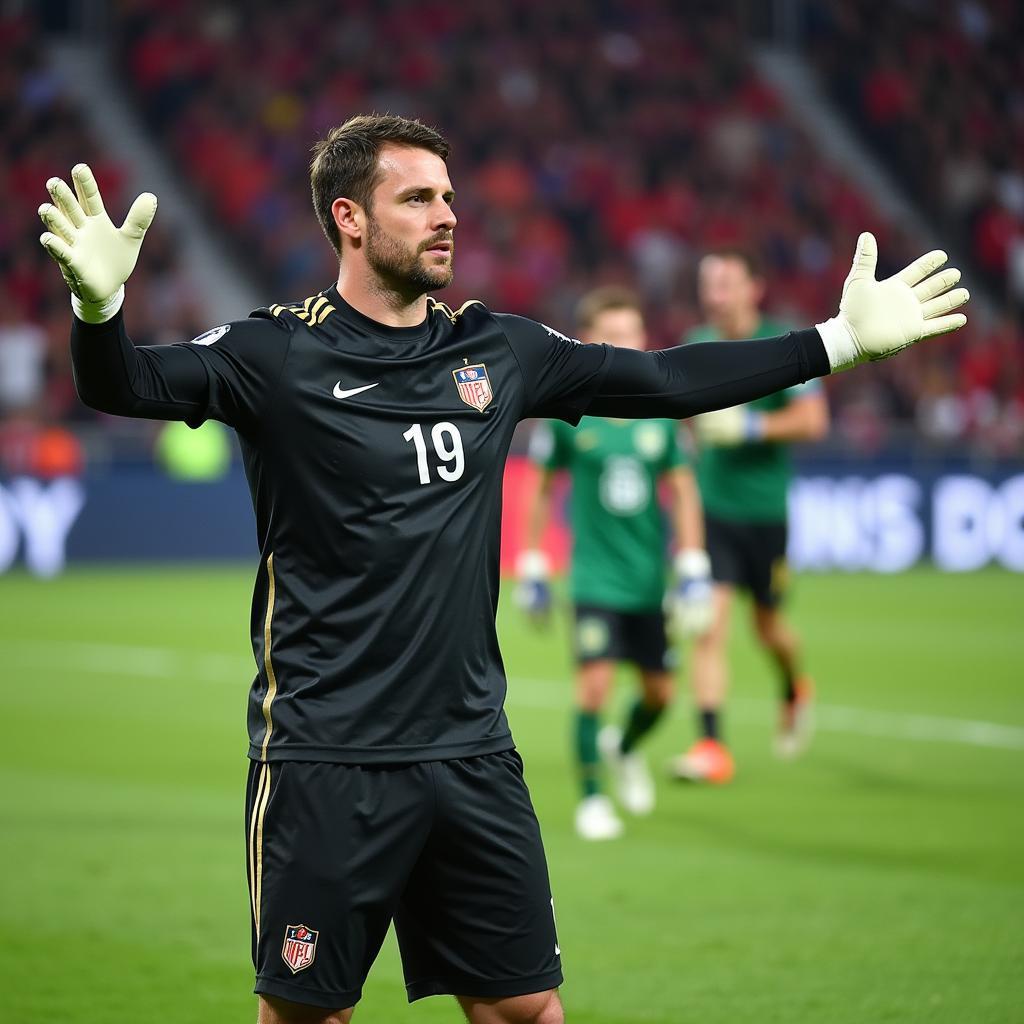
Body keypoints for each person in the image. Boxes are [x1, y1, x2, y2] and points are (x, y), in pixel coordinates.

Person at [37, 114, 968, 1024]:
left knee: (525, 1006)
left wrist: (834, 343)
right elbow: (124, 384)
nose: (447, 215)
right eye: (416, 198)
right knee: (307, 1014)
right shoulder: (273, 354)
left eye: (449, 196)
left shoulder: (498, 350)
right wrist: (99, 309)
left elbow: (663, 380)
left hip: (472, 752)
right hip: (326, 755)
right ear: (348, 219)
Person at [518, 286, 712, 841]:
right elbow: (539, 487)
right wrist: (533, 561)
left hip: (649, 580)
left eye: (631, 334)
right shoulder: (567, 415)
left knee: (659, 695)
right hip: (595, 579)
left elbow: (684, 490)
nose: (624, 345)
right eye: (612, 336)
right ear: (589, 342)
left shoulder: (664, 417)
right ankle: (592, 801)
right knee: (595, 689)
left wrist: (694, 564)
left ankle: (623, 747)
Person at [670, 249, 830, 785]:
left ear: (753, 288)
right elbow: (681, 422)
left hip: (765, 514)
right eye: (707, 284)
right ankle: (712, 744)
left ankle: (794, 684)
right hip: (715, 510)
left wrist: (749, 429)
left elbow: (813, 420)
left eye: (724, 283)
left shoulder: (784, 342)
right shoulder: (694, 345)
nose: (714, 294)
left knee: (768, 629)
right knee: (708, 628)